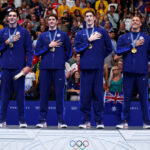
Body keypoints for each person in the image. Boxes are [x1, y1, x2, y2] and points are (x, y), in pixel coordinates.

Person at [74, 10, 112, 129]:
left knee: (98, 95)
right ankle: (85, 121)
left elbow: (109, 48)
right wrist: (89, 40)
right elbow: (78, 49)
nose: (89, 18)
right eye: (87, 16)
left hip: (97, 68)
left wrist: (99, 57)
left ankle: (99, 121)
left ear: (94, 18)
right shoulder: (80, 34)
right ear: (84, 19)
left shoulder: (101, 31)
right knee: (85, 96)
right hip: (85, 69)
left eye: (91, 16)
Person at [35, 14, 72, 128]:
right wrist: (49, 46)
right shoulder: (42, 36)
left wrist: (61, 60)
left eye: (53, 19)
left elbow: (69, 51)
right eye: (49, 19)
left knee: (59, 94)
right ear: (47, 22)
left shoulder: (63, 35)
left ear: (57, 21)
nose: (51, 21)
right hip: (45, 68)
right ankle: (42, 120)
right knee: (44, 94)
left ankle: (61, 120)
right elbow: (37, 52)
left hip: (59, 68)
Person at [0, 10, 33, 128]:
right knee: (4, 95)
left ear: (18, 18)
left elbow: (30, 50)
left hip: (19, 69)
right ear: (7, 18)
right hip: (5, 68)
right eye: (10, 16)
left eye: (14, 16)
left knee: (20, 95)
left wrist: (28, 66)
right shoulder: (2, 32)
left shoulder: (24, 32)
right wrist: (7, 42)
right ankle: (1, 120)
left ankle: (22, 120)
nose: (12, 17)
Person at [116, 16, 150, 129]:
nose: (135, 22)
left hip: (142, 73)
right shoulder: (123, 37)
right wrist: (132, 46)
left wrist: (145, 63)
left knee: (144, 98)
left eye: (137, 21)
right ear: (130, 24)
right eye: (133, 21)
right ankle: (124, 121)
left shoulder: (147, 38)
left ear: (140, 24)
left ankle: (146, 122)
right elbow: (118, 51)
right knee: (126, 98)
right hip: (128, 72)